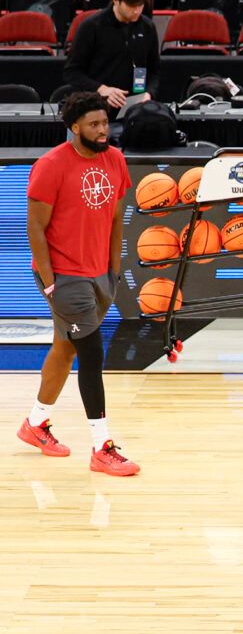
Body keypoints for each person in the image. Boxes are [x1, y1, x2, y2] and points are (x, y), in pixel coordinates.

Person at [19, 92, 137, 475]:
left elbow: (118, 218)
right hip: (64, 276)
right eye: (94, 125)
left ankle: (35, 423)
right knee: (91, 354)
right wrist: (51, 283)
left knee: (66, 349)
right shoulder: (51, 165)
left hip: (100, 273)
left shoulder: (115, 160)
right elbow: (35, 226)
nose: (103, 131)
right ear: (74, 127)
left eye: (105, 123)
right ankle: (102, 448)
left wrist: (114, 269)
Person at [61, 0, 159, 109]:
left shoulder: (148, 27)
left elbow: (154, 71)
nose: (137, 11)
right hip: (96, 108)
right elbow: (72, 72)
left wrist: (148, 93)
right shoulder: (91, 26)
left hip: (134, 110)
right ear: (115, 0)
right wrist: (102, 89)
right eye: (131, 6)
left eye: (140, 5)